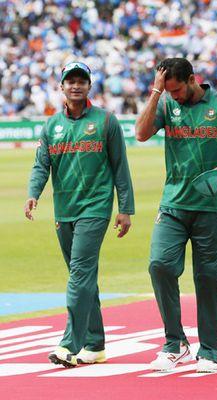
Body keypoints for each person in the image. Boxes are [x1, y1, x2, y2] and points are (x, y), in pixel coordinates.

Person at [135, 58, 217, 373]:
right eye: (168, 91)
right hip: (173, 204)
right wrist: (156, 92)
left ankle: (209, 350)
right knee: (159, 265)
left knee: (209, 279)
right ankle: (175, 344)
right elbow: (141, 134)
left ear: (191, 80)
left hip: (210, 207)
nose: (173, 96)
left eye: (176, 90)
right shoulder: (165, 102)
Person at [25, 61, 135, 368]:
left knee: (79, 274)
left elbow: (120, 167)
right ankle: (95, 344)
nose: (76, 86)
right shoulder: (51, 126)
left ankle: (69, 344)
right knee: (83, 277)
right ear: (61, 86)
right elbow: (41, 165)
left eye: (81, 81)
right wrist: (33, 193)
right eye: (70, 81)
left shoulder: (106, 121)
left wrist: (125, 208)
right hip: (64, 210)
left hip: (95, 208)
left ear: (89, 86)